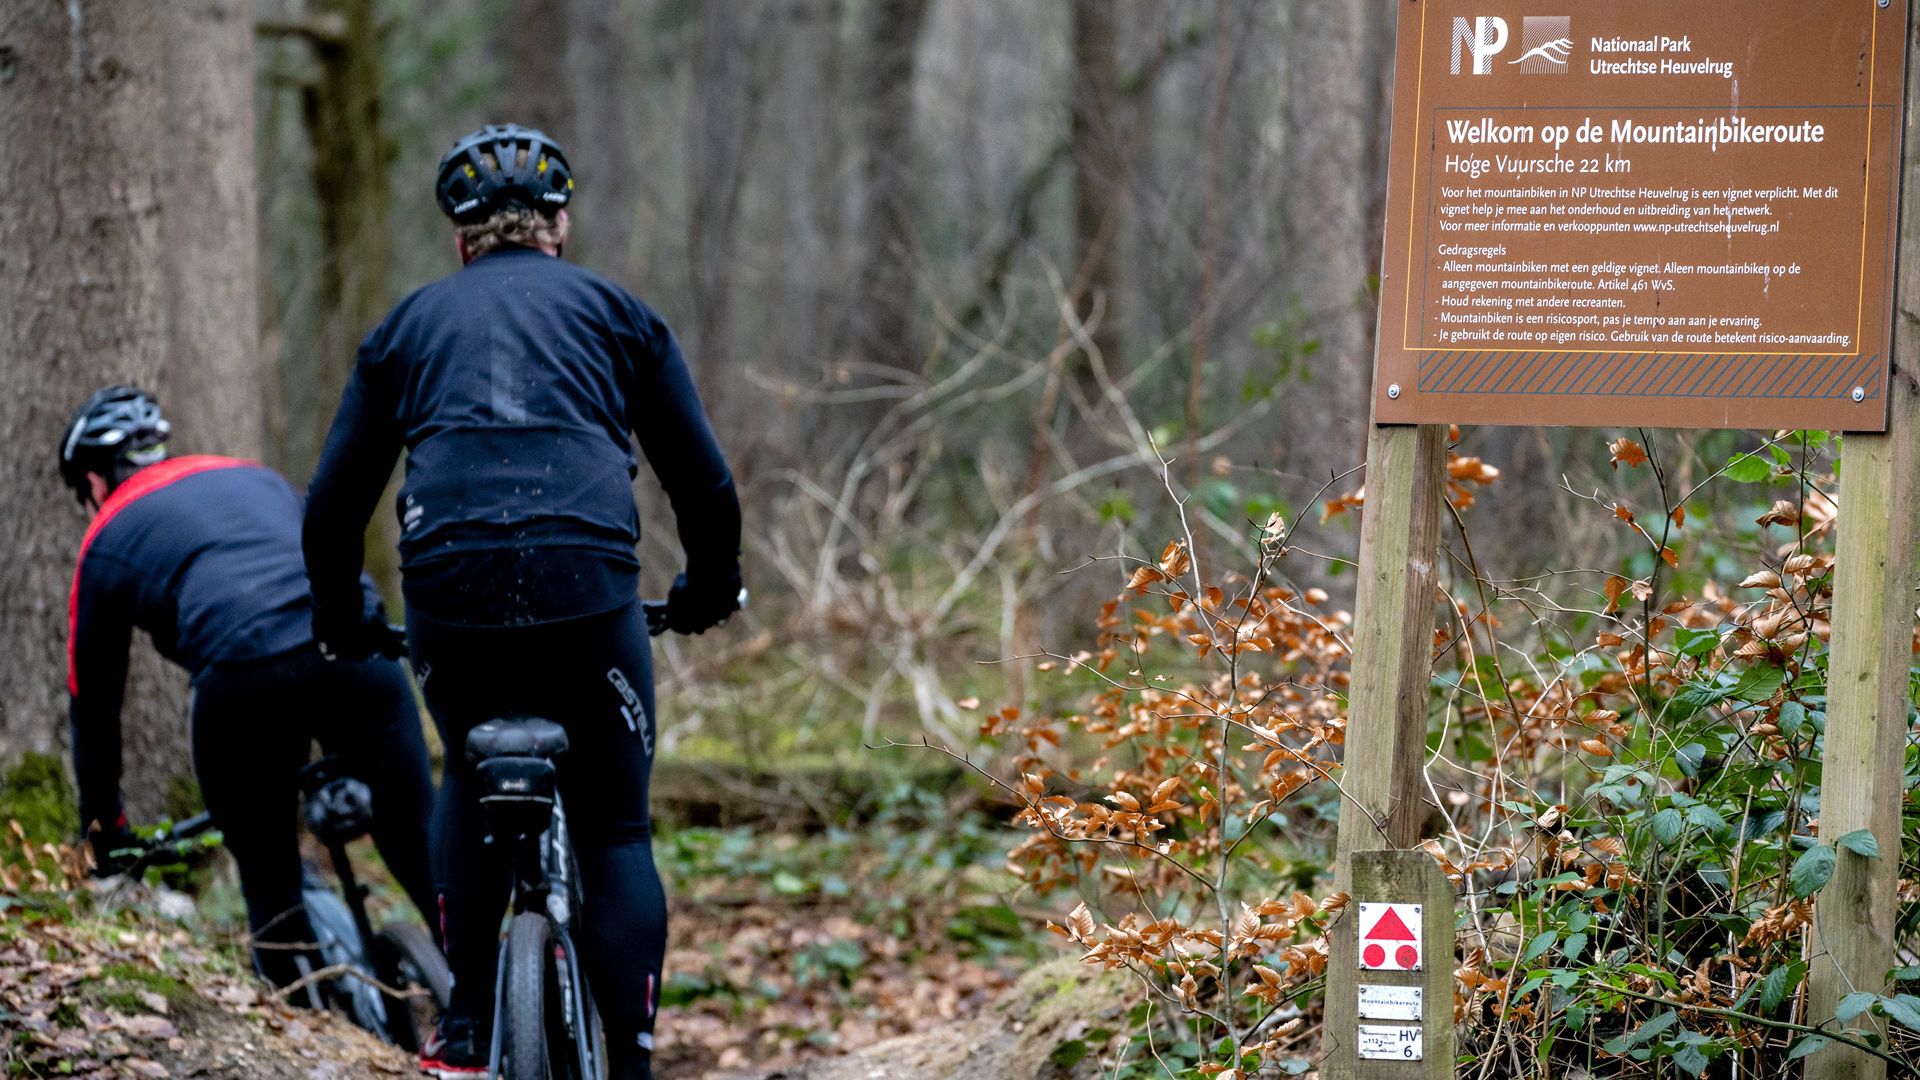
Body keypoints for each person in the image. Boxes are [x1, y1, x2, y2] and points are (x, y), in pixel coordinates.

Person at [301, 123, 742, 1080]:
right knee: (617, 826)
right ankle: (629, 1060)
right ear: (561, 225)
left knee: (463, 769)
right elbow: (703, 485)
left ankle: (463, 1031)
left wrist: (341, 616)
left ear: (460, 241)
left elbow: (333, 507)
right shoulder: (621, 314)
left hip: (449, 593)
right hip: (590, 586)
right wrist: (706, 587)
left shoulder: (406, 327)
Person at [59, 385, 437, 993]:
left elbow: (95, 707)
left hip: (244, 679)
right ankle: (496, 1000)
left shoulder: (104, 537)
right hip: (356, 649)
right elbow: (325, 533)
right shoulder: (251, 476)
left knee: (270, 884)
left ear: (95, 482)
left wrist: (105, 833)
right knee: (420, 839)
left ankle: (306, 1035)